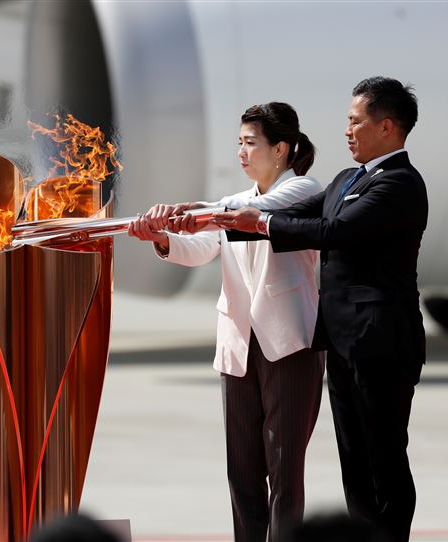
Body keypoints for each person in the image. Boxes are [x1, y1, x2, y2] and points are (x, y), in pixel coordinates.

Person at [214, 77, 427, 542]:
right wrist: (204, 218)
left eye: (356, 121)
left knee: (384, 459)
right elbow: (286, 213)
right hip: (341, 343)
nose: (347, 131)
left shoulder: (401, 184)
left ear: (387, 127)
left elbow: (335, 230)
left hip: (382, 344)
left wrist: (262, 221)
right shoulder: (348, 179)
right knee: (355, 462)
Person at [128, 102, 325, 542]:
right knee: (242, 469)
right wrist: (163, 237)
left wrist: (191, 211)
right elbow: (202, 247)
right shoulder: (236, 203)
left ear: (281, 149)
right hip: (239, 343)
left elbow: (241, 218)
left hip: (289, 344)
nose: (241, 152)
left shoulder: (305, 191)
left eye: (250, 143)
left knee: (284, 469)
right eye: (238, 143)